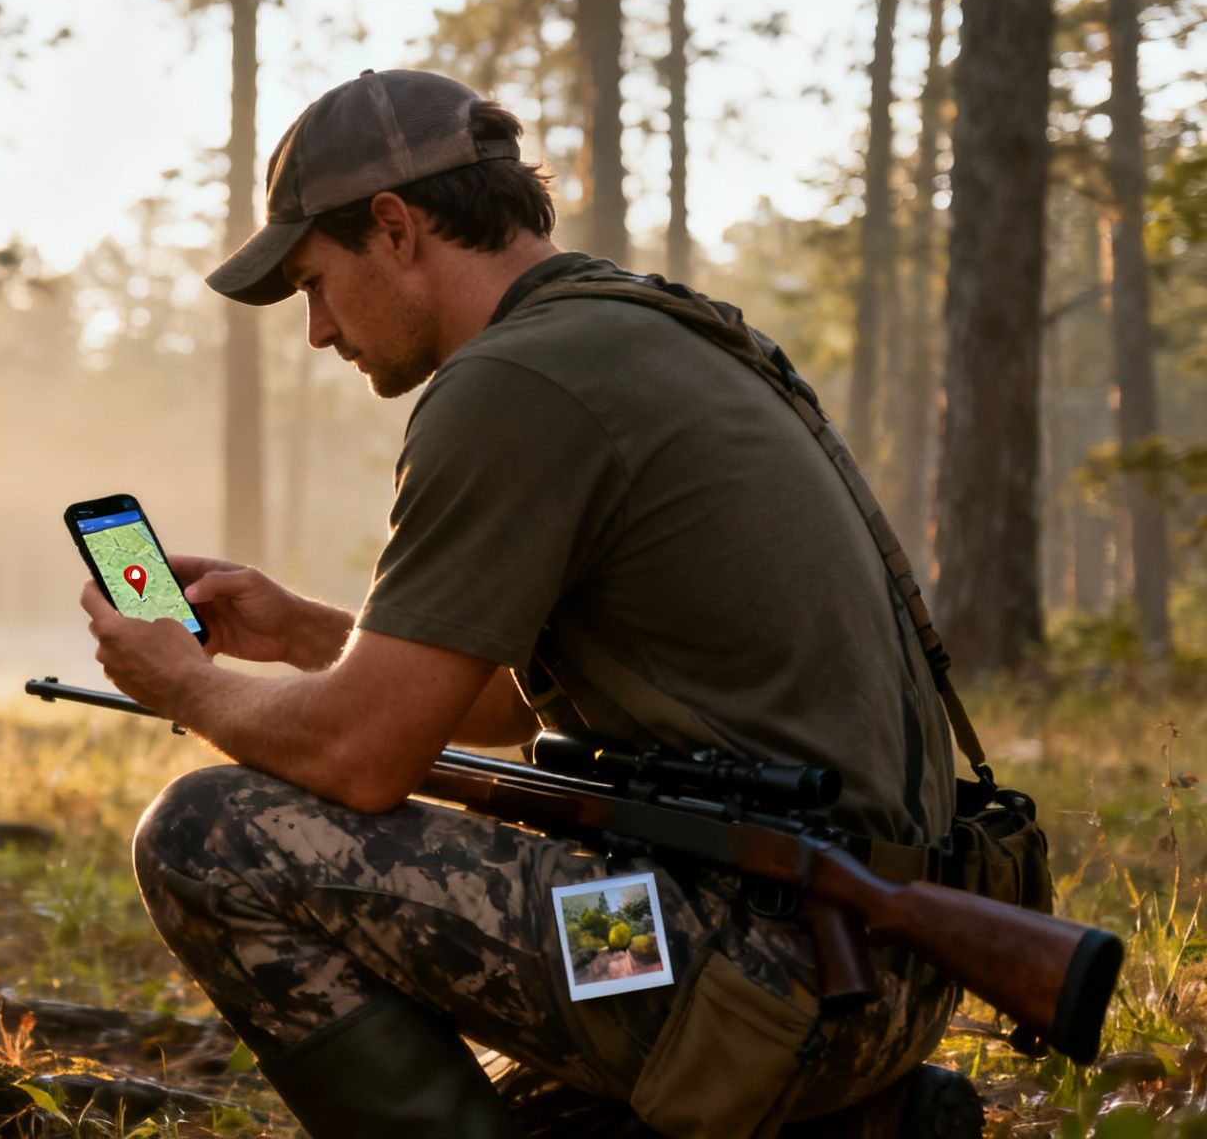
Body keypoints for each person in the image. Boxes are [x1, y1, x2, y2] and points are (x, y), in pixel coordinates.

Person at [79, 69, 977, 1138]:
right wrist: (310, 636)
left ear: (396, 227)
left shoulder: (513, 383)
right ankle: (853, 1126)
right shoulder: (651, 330)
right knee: (527, 1114)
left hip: (761, 968)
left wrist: (182, 680)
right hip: (882, 964)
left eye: (315, 282)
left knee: (205, 834)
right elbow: (511, 704)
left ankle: (803, 1102)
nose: (316, 329)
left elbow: (366, 758)